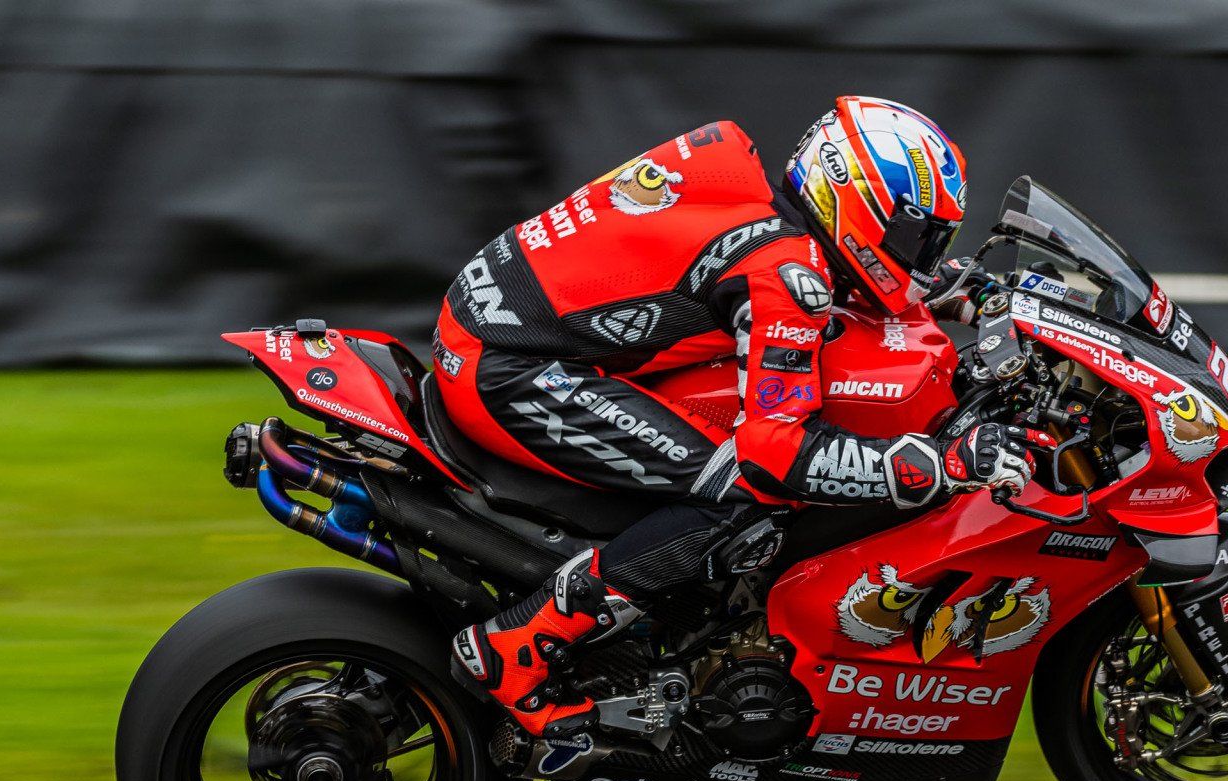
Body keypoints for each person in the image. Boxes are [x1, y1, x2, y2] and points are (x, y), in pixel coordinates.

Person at [434, 95, 1037, 738]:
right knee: (741, 493)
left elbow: (857, 272)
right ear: (855, 202)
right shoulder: (783, 272)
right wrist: (939, 465)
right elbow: (774, 450)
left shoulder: (732, 163)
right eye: (916, 236)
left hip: (497, 311)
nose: (920, 255)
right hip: (510, 367)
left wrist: (960, 287)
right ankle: (520, 646)